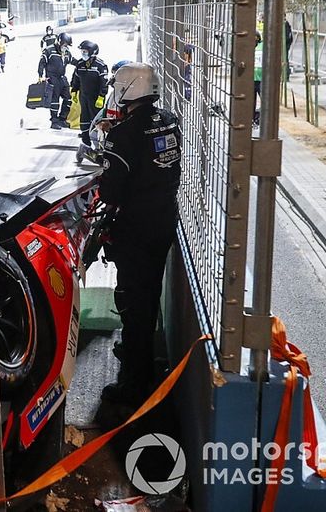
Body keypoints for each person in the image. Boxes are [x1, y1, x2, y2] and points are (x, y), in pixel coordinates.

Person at [98, 62, 181, 405]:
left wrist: (109, 146)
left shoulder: (122, 136)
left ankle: (134, 381)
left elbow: (110, 193)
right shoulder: (170, 120)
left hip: (135, 227)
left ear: (126, 88)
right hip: (164, 220)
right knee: (147, 295)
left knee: (134, 300)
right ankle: (139, 354)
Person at [70, 39, 109, 145]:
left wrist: (101, 96)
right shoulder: (80, 65)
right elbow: (75, 79)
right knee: (84, 118)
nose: (83, 54)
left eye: (85, 52)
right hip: (83, 97)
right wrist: (74, 91)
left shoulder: (101, 66)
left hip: (96, 98)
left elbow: (104, 83)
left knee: (96, 119)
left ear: (92, 52)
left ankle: (99, 143)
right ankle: (86, 141)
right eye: (82, 51)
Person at [37, 43, 70, 129]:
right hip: (52, 77)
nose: (65, 47)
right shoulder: (49, 50)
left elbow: (72, 60)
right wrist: (40, 75)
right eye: (64, 45)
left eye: (67, 46)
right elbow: (42, 62)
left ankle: (62, 119)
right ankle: (54, 121)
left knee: (68, 98)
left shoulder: (66, 53)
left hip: (62, 77)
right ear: (59, 42)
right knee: (55, 100)